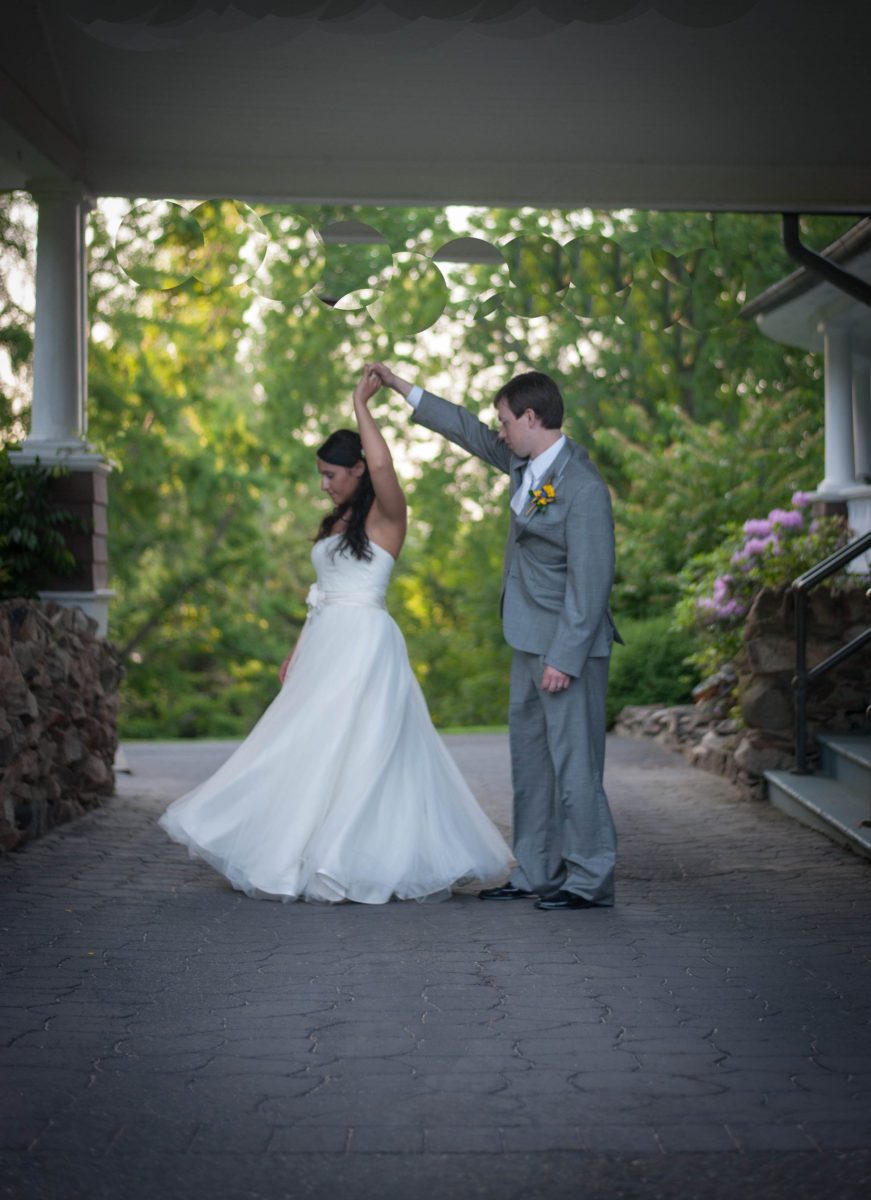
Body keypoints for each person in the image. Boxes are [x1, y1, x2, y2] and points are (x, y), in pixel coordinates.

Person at [158, 366, 512, 904]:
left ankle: (348, 859)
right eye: (321, 475)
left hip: (366, 644)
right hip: (326, 644)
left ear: (357, 471)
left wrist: (362, 404)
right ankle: (298, 846)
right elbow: (321, 593)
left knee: (363, 750)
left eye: (331, 474)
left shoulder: (387, 518)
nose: (324, 485)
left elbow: (384, 462)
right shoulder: (336, 523)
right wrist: (298, 650)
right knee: (306, 745)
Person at [371, 363, 622, 910]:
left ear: (532, 418)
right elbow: (464, 428)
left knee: (576, 768)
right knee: (530, 763)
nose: (499, 431)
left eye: (506, 421)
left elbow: (592, 579)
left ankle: (588, 879)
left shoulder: (583, 486)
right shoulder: (522, 460)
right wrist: (397, 385)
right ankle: (535, 871)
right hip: (526, 637)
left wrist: (566, 656)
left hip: (566, 648)